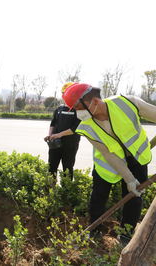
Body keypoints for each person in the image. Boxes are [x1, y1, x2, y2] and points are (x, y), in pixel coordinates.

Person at [62, 83, 156, 243]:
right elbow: (108, 153)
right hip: (107, 164)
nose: (78, 113)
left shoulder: (127, 102)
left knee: (134, 197)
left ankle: (126, 235)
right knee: (98, 197)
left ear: (95, 102)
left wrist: (149, 145)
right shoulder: (86, 126)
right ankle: (94, 232)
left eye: (78, 107)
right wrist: (129, 179)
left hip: (137, 157)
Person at [44, 82, 81, 180]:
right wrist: (50, 136)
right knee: (51, 167)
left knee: (67, 169)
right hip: (55, 144)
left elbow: (75, 129)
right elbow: (53, 123)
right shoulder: (59, 109)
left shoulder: (79, 110)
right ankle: (50, 189)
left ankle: (66, 192)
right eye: (63, 93)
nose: (64, 96)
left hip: (70, 145)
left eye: (66, 93)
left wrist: (59, 135)